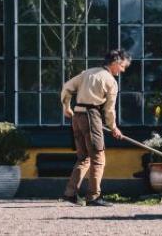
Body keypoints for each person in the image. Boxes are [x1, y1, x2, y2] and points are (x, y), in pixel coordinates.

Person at [61, 49, 130, 206]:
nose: (123, 70)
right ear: (115, 63)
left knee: (83, 158)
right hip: (91, 117)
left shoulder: (87, 73)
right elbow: (109, 110)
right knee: (98, 158)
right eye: (123, 66)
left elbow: (67, 87)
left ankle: (70, 193)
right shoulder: (110, 81)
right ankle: (93, 197)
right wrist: (114, 128)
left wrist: (66, 107)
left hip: (77, 116)